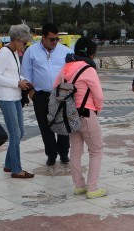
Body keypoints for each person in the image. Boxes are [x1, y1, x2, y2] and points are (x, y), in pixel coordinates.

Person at [54, 37, 106, 199]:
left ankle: (79, 186)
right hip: (86, 113)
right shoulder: (88, 69)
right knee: (96, 150)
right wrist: (97, 109)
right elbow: (98, 94)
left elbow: (55, 88)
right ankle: (92, 188)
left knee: (75, 151)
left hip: (70, 115)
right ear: (91, 53)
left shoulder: (65, 68)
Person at [20, 23, 73, 166]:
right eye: (51, 39)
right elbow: (25, 73)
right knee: (45, 126)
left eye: (57, 39)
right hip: (41, 95)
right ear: (43, 37)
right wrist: (32, 93)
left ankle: (64, 153)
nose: (55, 42)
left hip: (62, 93)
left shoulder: (65, 51)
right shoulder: (31, 51)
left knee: (62, 124)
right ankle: (51, 154)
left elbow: (72, 72)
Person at [0, 24, 35, 179]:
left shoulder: (14, 52)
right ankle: (16, 169)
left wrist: (25, 81)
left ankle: (9, 164)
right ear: (16, 40)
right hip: (7, 98)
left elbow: (14, 74)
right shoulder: (4, 52)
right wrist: (17, 83)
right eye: (24, 42)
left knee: (20, 132)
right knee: (15, 134)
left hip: (15, 97)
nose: (25, 45)